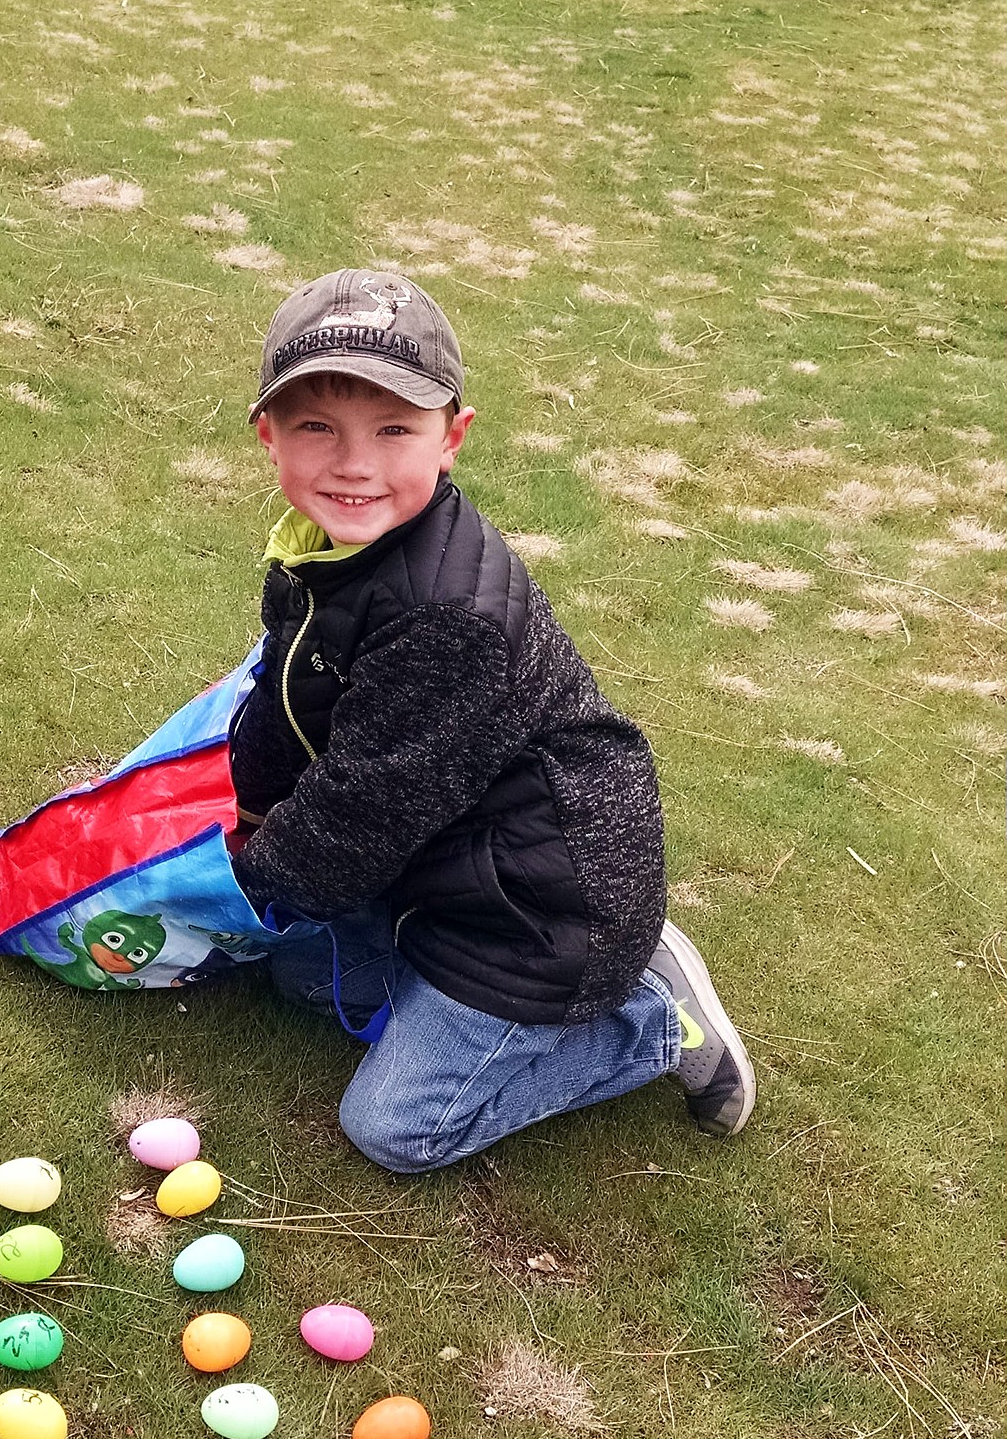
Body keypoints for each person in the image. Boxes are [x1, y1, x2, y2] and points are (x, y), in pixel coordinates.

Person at [227, 268, 755, 1173]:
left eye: (395, 430)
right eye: (319, 426)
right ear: (269, 432)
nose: (354, 464)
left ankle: (648, 1022)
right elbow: (289, 686)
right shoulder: (325, 548)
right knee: (302, 978)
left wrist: (240, 880)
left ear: (452, 438)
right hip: (450, 861)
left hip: (541, 908)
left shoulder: (447, 618)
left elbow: (367, 807)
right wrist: (246, 801)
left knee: (394, 1129)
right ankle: (511, 992)